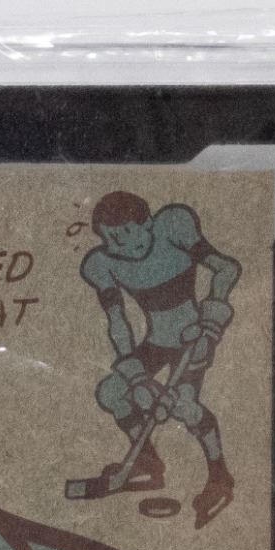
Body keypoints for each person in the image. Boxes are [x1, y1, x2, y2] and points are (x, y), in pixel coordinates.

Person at [80, 191, 241, 527]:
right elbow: (118, 323)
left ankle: (220, 476)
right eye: (110, 239)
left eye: (126, 233)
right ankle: (147, 464)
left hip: (193, 339)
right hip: (155, 343)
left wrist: (210, 325)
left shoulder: (174, 227)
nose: (120, 246)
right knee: (111, 392)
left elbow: (226, 268)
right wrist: (138, 380)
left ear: (149, 223)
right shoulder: (101, 264)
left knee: (184, 407)